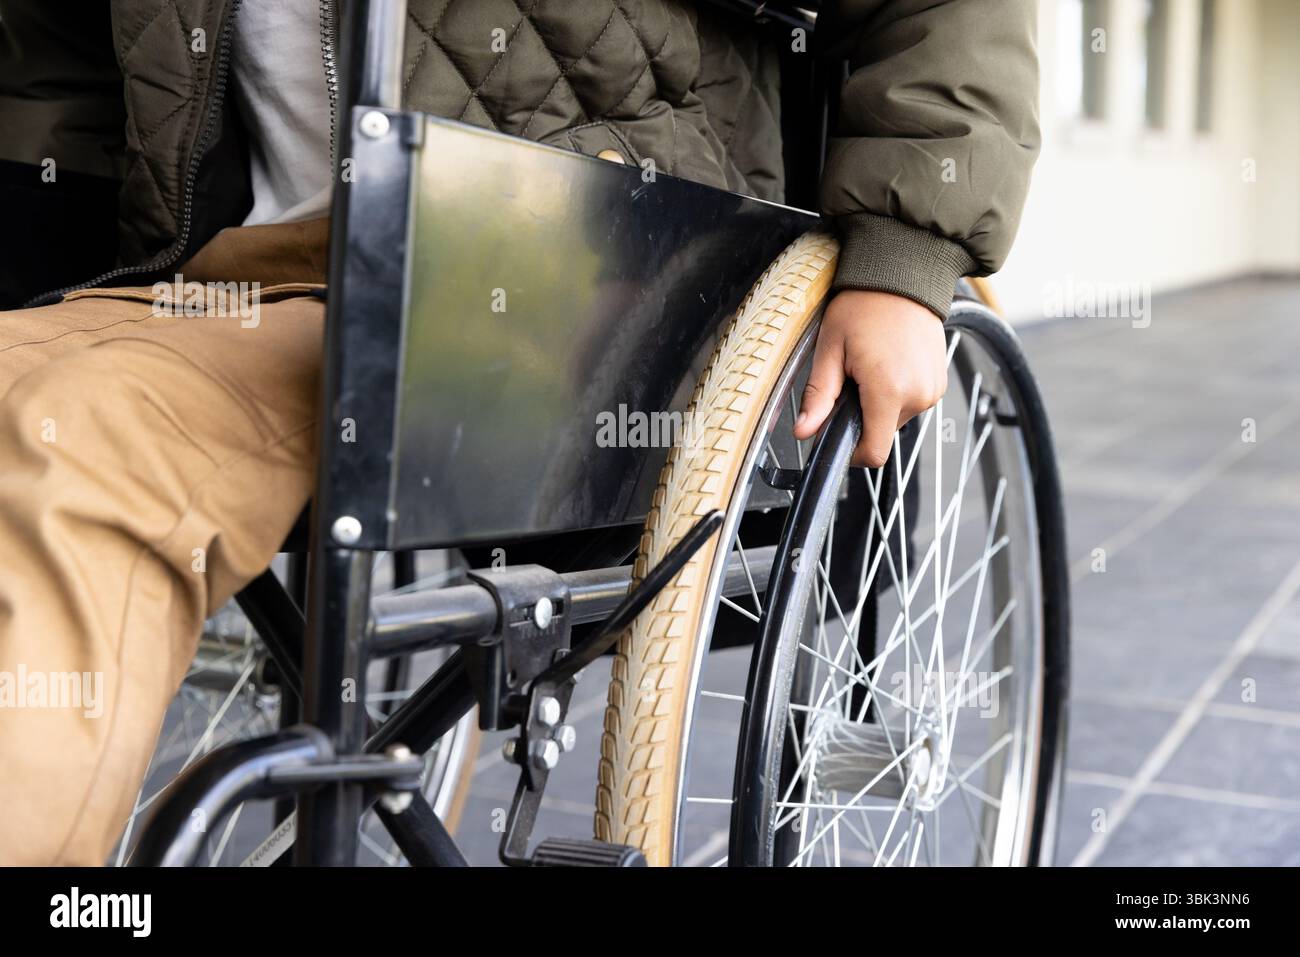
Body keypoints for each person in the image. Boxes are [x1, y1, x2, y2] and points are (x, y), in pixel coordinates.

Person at [0, 0, 1039, 864]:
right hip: (217, 273)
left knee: (82, 445)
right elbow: (59, 78)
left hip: (570, 267)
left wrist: (906, 254)